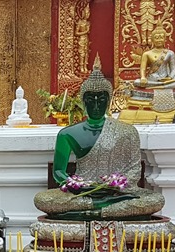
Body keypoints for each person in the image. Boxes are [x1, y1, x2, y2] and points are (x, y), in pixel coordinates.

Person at [34, 57, 165, 220]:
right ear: (83, 101)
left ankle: (89, 212)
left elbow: (135, 170)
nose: (96, 106)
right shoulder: (67, 134)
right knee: (42, 200)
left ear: (109, 101)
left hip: (119, 192)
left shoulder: (127, 131)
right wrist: (75, 186)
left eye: (101, 100)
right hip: (83, 193)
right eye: (91, 100)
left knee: (155, 200)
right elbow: (59, 172)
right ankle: (104, 208)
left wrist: (114, 186)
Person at [134, 25, 175, 89]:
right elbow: (143, 69)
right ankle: (163, 86)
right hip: (153, 79)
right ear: (152, 40)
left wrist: (170, 77)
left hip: (167, 79)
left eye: (161, 37)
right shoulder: (147, 54)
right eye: (156, 38)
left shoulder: (170, 53)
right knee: (136, 82)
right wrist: (143, 77)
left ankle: (162, 86)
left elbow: (173, 69)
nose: (159, 40)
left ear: (165, 39)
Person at [74, 4, 90, 74]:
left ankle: (85, 67)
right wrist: (85, 31)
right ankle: (81, 67)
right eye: (86, 13)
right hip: (81, 39)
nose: (87, 14)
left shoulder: (88, 22)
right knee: (82, 54)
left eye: (88, 13)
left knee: (86, 53)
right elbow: (76, 33)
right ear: (83, 13)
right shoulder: (80, 22)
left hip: (86, 39)